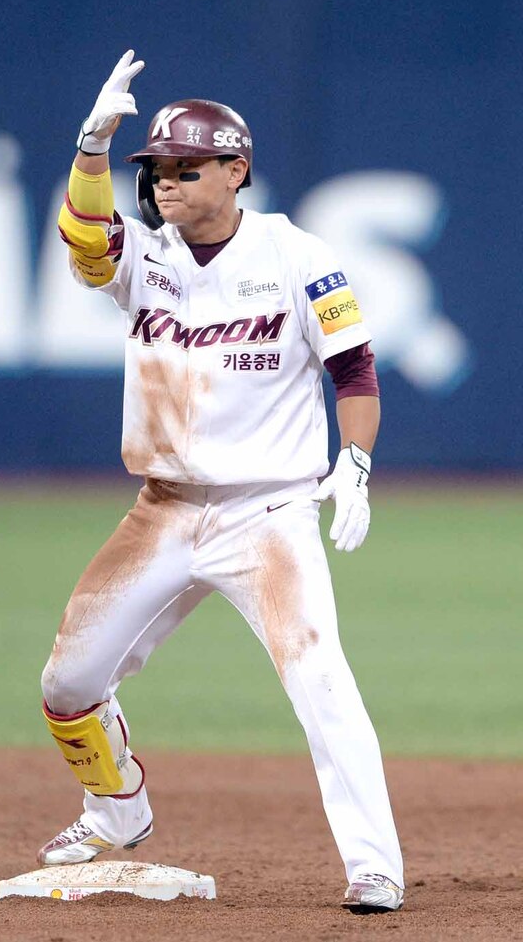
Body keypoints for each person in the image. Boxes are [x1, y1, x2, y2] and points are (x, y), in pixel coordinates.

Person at [38, 50, 404, 913]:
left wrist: (354, 460)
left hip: (267, 513)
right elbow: (85, 240)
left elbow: (354, 370)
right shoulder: (146, 257)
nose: (165, 181)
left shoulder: (296, 254)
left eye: (186, 167)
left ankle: (375, 865)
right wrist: (92, 149)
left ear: (236, 170)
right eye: (158, 168)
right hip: (161, 511)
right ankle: (117, 808)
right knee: (67, 685)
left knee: (321, 681)